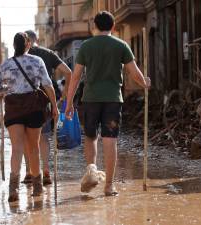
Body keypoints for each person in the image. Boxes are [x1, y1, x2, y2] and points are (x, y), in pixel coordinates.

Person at [65, 11, 151, 196]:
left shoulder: (86, 47)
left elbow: (76, 77)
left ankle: (92, 170)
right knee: (110, 139)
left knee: (90, 137)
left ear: (94, 27)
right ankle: (109, 186)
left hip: (90, 100)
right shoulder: (121, 45)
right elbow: (134, 73)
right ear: (113, 26)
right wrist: (145, 83)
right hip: (113, 100)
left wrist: (69, 102)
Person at [0, 32, 59, 202]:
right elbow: (48, 85)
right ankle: (37, 188)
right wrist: (55, 107)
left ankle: (13, 190)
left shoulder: (5, 65)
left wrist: (5, 92)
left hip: (13, 108)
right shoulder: (37, 61)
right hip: (34, 108)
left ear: (14, 46)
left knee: (17, 149)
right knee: (34, 148)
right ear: (28, 44)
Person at [20, 30, 72, 185]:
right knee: (43, 137)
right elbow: (68, 72)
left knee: (26, 138)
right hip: (45, 101)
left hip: (23, 101)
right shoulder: (48, 54)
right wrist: (65, 95)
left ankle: (29, 172)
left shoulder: (20, 55)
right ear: (36, 39)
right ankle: (46, 171)